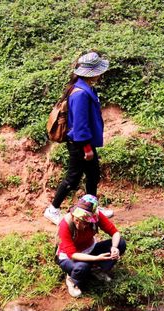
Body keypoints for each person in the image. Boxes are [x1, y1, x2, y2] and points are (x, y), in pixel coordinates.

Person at [44, 51, 114, 226]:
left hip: (84, 141)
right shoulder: (80, 93)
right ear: (93, 72)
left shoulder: (86, 87)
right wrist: (87, 148)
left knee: (93, 174)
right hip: (80, 143)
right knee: (73, 177)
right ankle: (52, 209)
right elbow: (80, 125)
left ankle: (92, 207)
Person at [56, 195, 126, 298]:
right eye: (77, 219)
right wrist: (96, 258)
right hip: (69, 257)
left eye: (84, 222)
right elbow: (72, 254)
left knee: (121, 243)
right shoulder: (65, 224)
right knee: (81, 267)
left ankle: (95, 269)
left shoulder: (97, 216)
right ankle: (72, 280)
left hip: (90, 249)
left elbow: (115, 233)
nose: (79, 224)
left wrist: (114, 247)